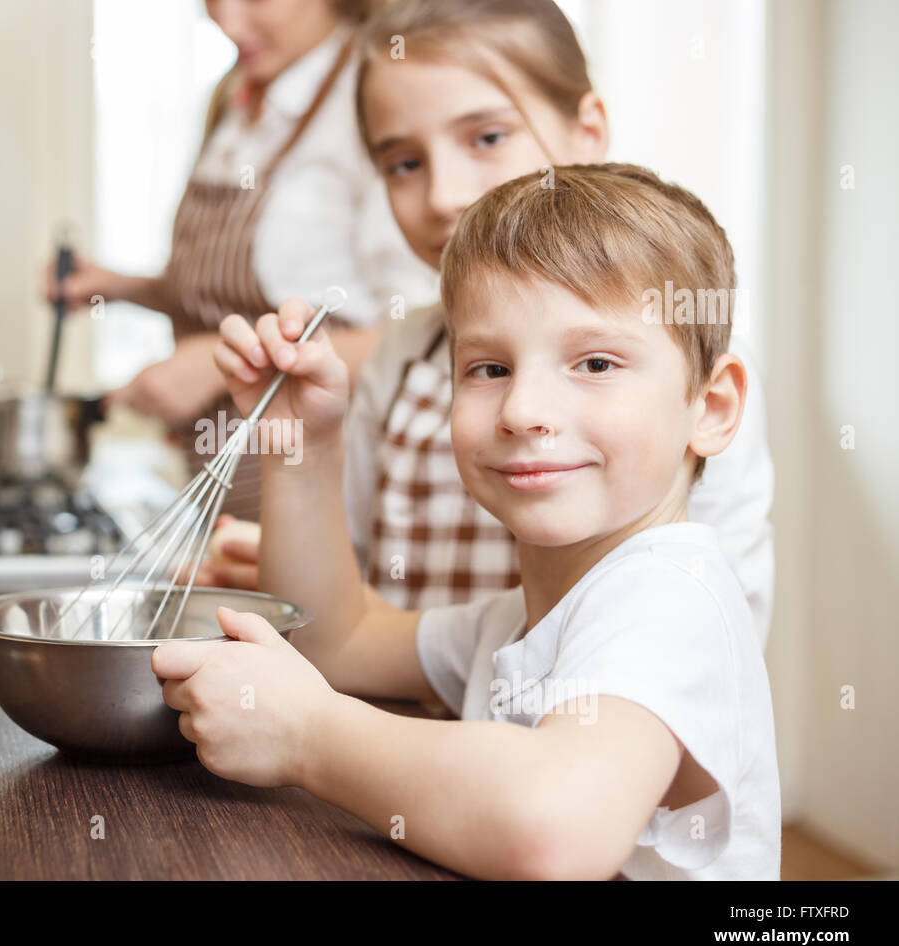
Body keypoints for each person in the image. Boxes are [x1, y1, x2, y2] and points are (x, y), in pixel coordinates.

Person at [156, 164, 781, 880]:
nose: (522, 411)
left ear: (712, 407)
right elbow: (335, 642)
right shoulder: (518, 618)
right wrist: (304, 449)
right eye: (489, 369)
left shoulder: (671, 596)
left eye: (596, 362)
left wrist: (310, 736)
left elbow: (557, 829)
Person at [198, 0, 775, 649]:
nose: (444, 194)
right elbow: (338, 612)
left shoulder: (681, 357)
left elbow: (715, 633)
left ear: (586, 132)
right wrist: (291, 542)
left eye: (487, 137)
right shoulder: (404, 355)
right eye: (404, 163)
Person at [47, 0, 436, 519]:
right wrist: (123, 287)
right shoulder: (237, 95)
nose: (226, 21)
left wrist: (216, 364)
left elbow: (427, 337)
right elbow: (235, 293)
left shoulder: (373, 97)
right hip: (225, 496)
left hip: (336, 504)